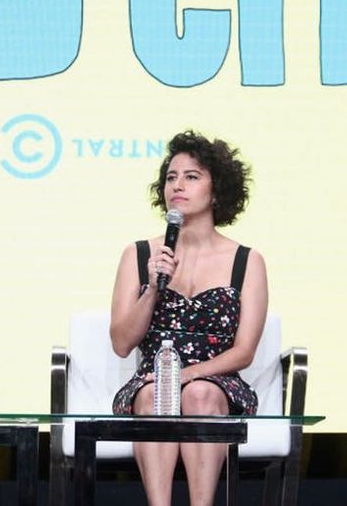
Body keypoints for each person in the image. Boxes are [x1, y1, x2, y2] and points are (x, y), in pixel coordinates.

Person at [109, 130, 269, 506]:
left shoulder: (247, 261)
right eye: (171, 177)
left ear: (216, 192)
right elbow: (120, 343)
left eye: (192, 176)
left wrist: (188, 374)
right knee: (154, 394)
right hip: (153, 379)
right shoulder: (138, 254)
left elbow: (244, 351)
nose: (177, 185)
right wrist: (152, 287)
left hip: (216, 381)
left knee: (198, 393)